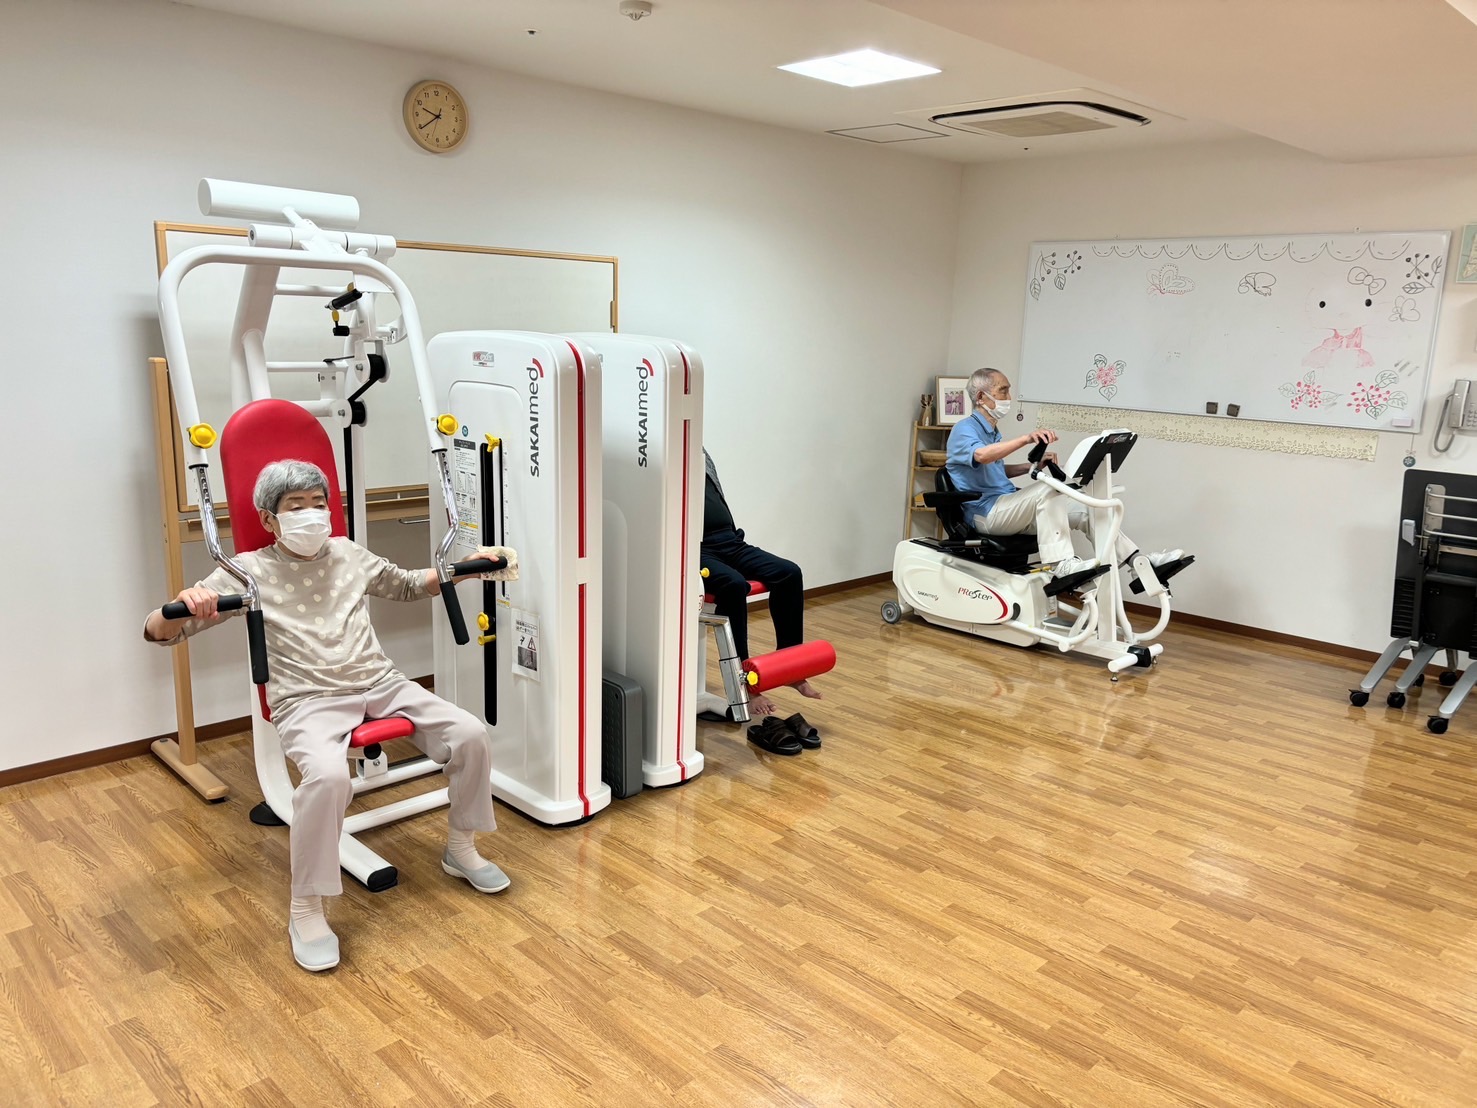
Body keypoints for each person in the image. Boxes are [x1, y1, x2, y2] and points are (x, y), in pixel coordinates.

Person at [143, 460, 519, 973]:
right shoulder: (245, 571)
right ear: (269, 519)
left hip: (379, 681)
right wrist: (183, 604)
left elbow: (409, 584)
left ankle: (461, 848)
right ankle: (306, 908)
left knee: (470, 734)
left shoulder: (347, 552)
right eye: (295, 506)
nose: (311, 515)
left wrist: (465, 567)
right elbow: (161, 632)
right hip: (308, 698)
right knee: (327, 777)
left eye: (318, 504)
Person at [945, 367, 1182, 577]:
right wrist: (1026, 439)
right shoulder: (964, 428)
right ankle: (1061, 565)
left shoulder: (992, 432)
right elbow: (982, 456)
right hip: (986, 514)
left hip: (1007, 508)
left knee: (1086, 508)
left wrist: (1031, 467)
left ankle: (1139, 563)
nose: (1009, 397)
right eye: (1003, 391)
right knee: (1049, 488)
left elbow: (993, 469)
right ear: (980, 397)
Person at [701, 449, 820, 717]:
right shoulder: (661, 453)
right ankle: (746, 683)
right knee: (733, 584)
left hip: (730, 540)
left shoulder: (700, 452)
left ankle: (790, 668)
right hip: (696, 548)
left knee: (789, 573)